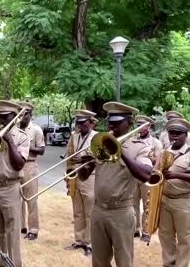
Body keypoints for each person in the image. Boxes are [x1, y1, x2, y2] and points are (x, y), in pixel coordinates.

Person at [81, 102, 152, 267]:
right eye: (110, 122)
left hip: (121, 212)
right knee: (99, 262)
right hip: (98, 210)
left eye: (117, 122)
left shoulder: (139, 148)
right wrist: (85, 165)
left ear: (130, 122)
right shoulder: (100, 144)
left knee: (124, 261)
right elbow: (83, 177)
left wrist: (120, 151)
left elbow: (146, 174)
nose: (112, 126)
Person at [0, 100, 30, 267]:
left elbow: (19, 164)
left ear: (14, 117)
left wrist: (9, 141)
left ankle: (14, 264)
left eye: (5, 117)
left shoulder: (22, 137)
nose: (2, 121)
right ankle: (0, 264)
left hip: (10, 187)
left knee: (12, 231)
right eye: (0, 117)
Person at [64, 109, 98, 256]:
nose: (79, 125)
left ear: (91, 122)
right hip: (76, 175)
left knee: (90, 212)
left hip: (90, 177)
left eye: (82, 122)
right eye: (77, 122)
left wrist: (85, 160)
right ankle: (79, 240)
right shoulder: (74, 137)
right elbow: (69, 156)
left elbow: (100, 159)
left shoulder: (97, 137)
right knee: (77, 211)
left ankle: (90, 243)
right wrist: (68, 174)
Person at [157, 118, 190, 267]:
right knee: (165, 235)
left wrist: (178, 175)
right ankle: (169, 264)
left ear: (186, 135)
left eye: (178, 133)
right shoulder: (164, 152)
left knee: (185, 238)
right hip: (164, 200)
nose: (174, 136)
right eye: (171, 133)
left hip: (184, 201)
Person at [17, 101, 45, 240]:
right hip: (16, 165)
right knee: (17, 198)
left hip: (29, 165)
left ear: (30, 114)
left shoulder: (36, 130)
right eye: (19, 113)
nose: (21, 116)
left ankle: (33, 229)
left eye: (24, 114)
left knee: (31, 199)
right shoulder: (14, 129)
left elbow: (42, 150)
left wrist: (25, 147)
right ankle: (21, 226)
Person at [133, 115, 163, 242]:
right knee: (132, 203)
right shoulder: (133, 140)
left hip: (148, 177)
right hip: (134, 176)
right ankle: (134, 229)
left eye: (142, 125)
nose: (139, 127)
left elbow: (159, 161)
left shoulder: (156, 143)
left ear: (149, 127)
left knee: (147, 205)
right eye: (138, 124)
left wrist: (150, 159)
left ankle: (146, 231)